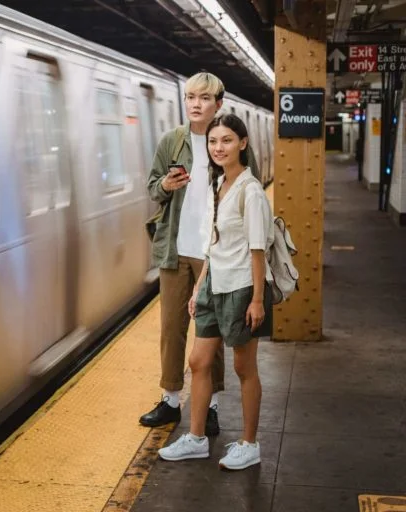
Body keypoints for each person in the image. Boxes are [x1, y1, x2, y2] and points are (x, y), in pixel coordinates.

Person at [140, 73, 261, 435]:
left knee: (213, 330)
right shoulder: (172, 142)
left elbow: (244, 189)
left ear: (218, 103)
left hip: (215, 253)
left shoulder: (228, 141)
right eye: (191, 96)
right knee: (171, 329)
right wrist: (165, 185)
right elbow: (152, 188)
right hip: (177, 248)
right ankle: (170, 400)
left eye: (204, 98)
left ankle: (208, 405)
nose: (195, 104)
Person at [157, 113, 273, 470]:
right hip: (213, 283)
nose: (218, 148)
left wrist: (256, 299)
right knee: (199, 361)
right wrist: (199, 287)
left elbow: (258, 249)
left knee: (243, 367)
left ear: (243, 144)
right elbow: (213, 242)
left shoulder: (251, 191)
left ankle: (250, 444)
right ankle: (196, 439)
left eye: (226, 140)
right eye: (212, 142)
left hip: (241, 287)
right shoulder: (217, 183)